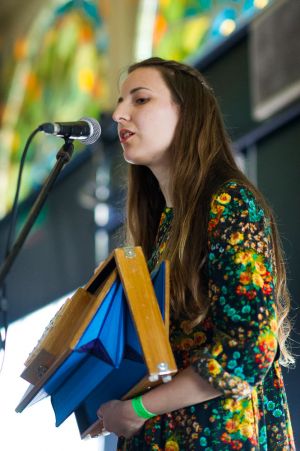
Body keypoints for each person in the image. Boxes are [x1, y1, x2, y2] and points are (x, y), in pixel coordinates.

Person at [97, 57, 295, 450]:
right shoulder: (160, 229)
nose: (119, 114)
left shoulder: (229, 203)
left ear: (185, 114)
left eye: (140, 100)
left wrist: (138, 409)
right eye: (121, 102)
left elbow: (248, 348)